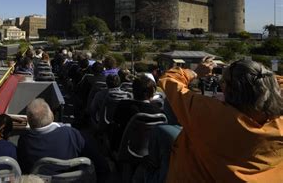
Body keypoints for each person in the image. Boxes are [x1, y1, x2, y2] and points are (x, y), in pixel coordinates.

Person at [153, 58, 283, 182]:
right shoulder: (279, 123)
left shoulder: (207, 113)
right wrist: (257, 75)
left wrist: (195, 72)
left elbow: (169, 80)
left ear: (227, 88)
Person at [17, 98, 85, 173]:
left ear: (29, 122)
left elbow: (23, 166)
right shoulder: (72, 134)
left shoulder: (24, 141)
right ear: (52, 116)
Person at [110, 73, 162, 150]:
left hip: (122, 148)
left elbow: (115, 123)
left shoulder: (123, 105)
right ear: (152, 93)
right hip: (149, 151)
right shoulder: (158, 112)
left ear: (133, 90)